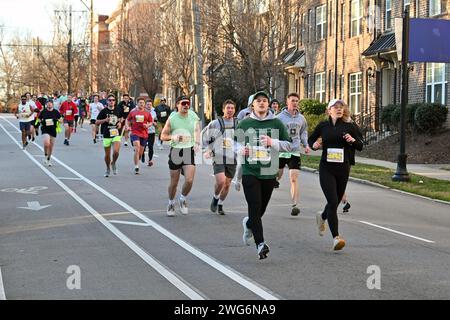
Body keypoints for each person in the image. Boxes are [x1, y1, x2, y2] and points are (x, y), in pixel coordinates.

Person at [237, 91, 297, 260]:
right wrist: (241, 150)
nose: (262, 103)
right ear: (252, 105)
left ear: (268, 104)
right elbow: (233, 143)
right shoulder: (245, 123)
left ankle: (248, 224)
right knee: (255, 207)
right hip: (250, 171)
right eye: (258, 101)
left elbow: (289, 145)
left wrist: (273, 142)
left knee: (261, 210)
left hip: (269, 171)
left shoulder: (277, 123)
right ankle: (260, 244)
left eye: (264, 101)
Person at [308, 99, 363, 251]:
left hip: (343, 168)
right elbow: (311, 139)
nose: (339, 109)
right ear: (329, 110)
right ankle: (336, 238)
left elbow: (360, 145)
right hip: (326, 168)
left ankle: (323, 216)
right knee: (332, 200)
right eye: (335, 107)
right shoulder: (323, 126)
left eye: (341, 107)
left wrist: (352, 141)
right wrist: (314, 145)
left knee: (335, 202)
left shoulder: (349, 126)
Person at [160, 96, 200, 217]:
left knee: (189, 180)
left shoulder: (193, 115)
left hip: (188, 150)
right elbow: (163, 136)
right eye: (183, 103)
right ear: (177, 105)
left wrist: (197, 143)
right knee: (174, 182)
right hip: (176, 151)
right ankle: (171, 202)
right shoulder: (172, 118)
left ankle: (182, 199)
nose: (186, 105)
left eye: (188, 103)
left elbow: (197, 130)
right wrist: (173, 137)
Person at [276, 93, 311, 216]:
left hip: (294, 151)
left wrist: (306, 145)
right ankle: (275, 180)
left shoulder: (301, 118)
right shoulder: (279, 117)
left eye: (297, 101)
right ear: (287, 101)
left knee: (294, 178)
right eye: (292, 100)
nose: (295, 103)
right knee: (277, 176)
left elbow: (303, 133)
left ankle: (295, 205)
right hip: (281, 151)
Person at [202, 99, 239, 215]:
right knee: (221, 181)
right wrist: (207, 150)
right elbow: (205, 138)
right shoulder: (215, 123)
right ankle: (215, 197)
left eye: (232, 108)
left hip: (232, 157)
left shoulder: (239, 123)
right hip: (218, 155)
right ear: (223, 109)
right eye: (228, 108)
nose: (230, 110)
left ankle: (221, 204)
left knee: (227, 184)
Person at [96, 94, 124, 177]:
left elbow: (121, 118)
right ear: (107, 101)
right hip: (106, 134)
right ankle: (108, 168)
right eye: (110, 100)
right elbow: (97, 122)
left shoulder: (118, 109)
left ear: (115, 102)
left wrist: (119, 122)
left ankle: (113, 163)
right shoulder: (104, 111)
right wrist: (105, 120)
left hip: (116, 133)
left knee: (116, 151)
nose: (111, 101)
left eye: (113, 100)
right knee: (107, 155)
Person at [126, 97, 153, 174]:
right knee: (137, 148)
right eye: (140, 103)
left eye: (143, 103)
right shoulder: (133, 112)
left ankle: (138, 158)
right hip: (135, 132)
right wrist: (128, 126)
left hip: (144, 134)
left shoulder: (147, 113)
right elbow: (127, 120)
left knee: (140, 152)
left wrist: (147, 125)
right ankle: (136, 166)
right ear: (137, 103)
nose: (141, 104)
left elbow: (151, 122)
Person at [38, 100, 62, 166]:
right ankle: (45, 154)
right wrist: (40, 122)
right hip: (45, 129)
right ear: (46, 105)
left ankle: (48, 159)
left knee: (51, 146)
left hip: (53, 129)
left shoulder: (56, 112)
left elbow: (61, 119)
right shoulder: (43, 111)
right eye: (48, 104)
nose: (49, 105)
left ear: (52, 105)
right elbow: (39, 119)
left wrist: (59, 120)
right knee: (46, 143)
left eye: (50, 104)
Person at [142, 99, 157, 166]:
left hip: (152, 132)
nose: (149, 106)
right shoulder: (142, 111)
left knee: (150, 146)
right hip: (143, 131)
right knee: (143, 146)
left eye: (150, 105)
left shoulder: (154, 112)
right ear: (145, 105)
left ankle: (150, 160)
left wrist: (154, 123)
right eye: (147, 104)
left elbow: (156, 122)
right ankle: (142, 155)